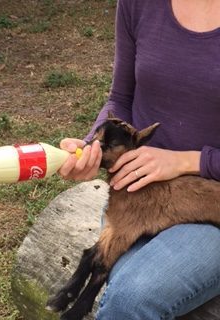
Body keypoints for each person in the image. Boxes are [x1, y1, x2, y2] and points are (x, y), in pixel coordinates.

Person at [59, 0, 220, 319]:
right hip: (134, 194)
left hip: (209, 203)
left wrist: (189, 161)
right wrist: (92, 148)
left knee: (129, 299)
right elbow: (120, 99)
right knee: (109, 276)